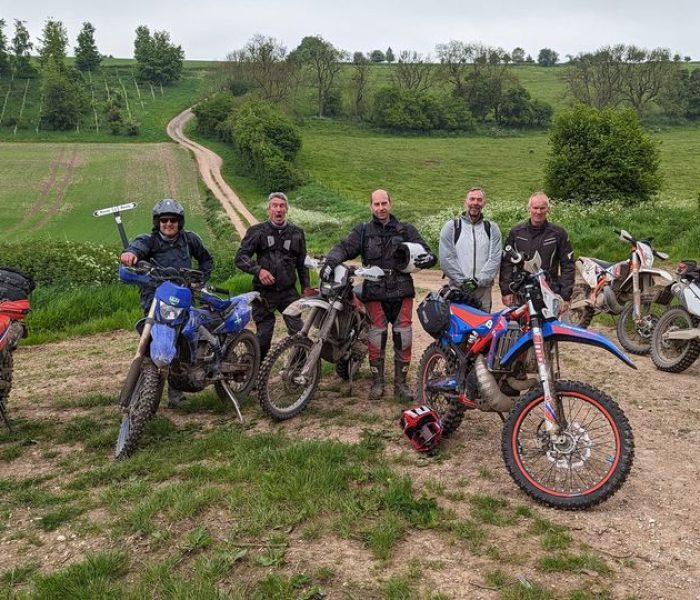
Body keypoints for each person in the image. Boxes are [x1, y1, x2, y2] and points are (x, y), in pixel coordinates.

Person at [323, 189, 436, 402]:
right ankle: (378, 383)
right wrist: (331, 261)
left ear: (390, 204)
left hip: (402, 289)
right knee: (377, 336)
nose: (381, 208)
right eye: (377, 204)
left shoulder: (406, 229)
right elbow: (345, 248)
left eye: (384, 203)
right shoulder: (363, 231)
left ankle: (400, 384)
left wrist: (428, 259)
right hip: (374, 291)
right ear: (371, 207)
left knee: (404, 336)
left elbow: (427, 252)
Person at [120, 198, 214, 407]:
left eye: (173, 220)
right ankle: (146, 394)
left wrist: (201, 280)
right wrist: (130, 254)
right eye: (164, 220)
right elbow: (137, 247)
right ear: (157, 222)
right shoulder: (150, 240)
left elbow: (206, 259)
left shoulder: (190, 240)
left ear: (180, 222)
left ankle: (175, 392)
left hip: (183, 299)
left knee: (182, 342)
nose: (169, 224)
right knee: (151, 344)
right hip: (155, 300)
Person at [235, 192, 312, 361]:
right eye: (274, 206)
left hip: (288, 292)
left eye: (282, 206)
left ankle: (298, 370)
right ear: (268, 209)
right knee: (263, 337)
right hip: (264, 293)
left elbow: (302, 263)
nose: (278, 209)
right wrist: (258, 270)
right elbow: (240, 258)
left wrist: (305, 287)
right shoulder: (257, 231)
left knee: (299, 333)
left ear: (287, 209)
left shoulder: (297, 233)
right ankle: (254, 374)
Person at [500, 191, 575, 311]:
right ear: (529, 208)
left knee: (550, 328)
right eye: (535, 208)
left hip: (550, 289)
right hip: (521, 290)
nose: (538, 212)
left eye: (542, 208)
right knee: (520, 327)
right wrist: (506, 291)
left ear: (548, 210)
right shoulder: (516, 232)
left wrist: (565, 296)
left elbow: (568, 265)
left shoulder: (558, 233)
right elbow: (506, 263)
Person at [438, 187, 502, 311]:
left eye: (479, 200)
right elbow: (446, 258)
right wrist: (463, 282)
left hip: (483, 291)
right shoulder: (451, 227)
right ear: (465, 201)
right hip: (457, 289)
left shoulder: (492, 228)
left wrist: (479, 281)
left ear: (484, 203)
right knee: (458, 328)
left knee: (482, 327)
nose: (475, 203)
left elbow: (495, 258)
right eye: (472, 199)